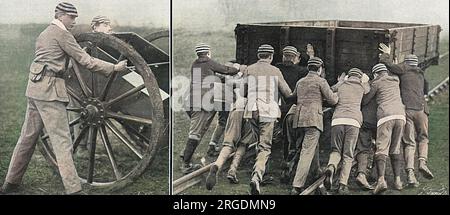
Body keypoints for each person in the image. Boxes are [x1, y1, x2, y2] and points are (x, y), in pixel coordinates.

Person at [0, 2, 127, 195]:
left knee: (27, 138)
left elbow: (56, 61)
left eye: (75, 18)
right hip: (50, 93)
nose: (74, 22)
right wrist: (114, 68)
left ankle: (10, 182)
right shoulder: (62, 35)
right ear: (60, 16)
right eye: (71, 17)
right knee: (62, 141)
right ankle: (74, 189)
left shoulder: (44, 34)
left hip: (34, 90)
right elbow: (86, 62)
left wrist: (76, 54)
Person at [379, 43, 434, 186]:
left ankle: (410, 174)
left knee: (409, 142)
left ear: (406, 63)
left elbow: (387, 64)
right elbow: (426, 90)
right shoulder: (420, 73)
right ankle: (422, 162)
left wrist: (387, 53)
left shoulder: (402, 69)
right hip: (421, 109)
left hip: (407, 111)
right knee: (423, 138)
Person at [181, 43, 240, 174]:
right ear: (208, 53)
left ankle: (185, 154)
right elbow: (227, 69)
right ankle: (185, 165)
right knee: (195, 133)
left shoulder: (195, 64)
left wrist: (222, 78)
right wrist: (237, 67)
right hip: (200, 103)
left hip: (189, 101)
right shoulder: (209, 62)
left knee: (197, 129)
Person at [243, 44, 292, 195]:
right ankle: (256, 177)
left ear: (259, 56)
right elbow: (287, 93)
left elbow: (243, 91)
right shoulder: (275, 70)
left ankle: (262, 173)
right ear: (270, 57)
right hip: (267, 111)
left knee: (259, 143)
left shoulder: (249, 69)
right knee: (265, 146)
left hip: (251, 110)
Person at [290, 57, 338, 195]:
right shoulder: (321, 81)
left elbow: (293, 97)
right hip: (313, 119)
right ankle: (297, 185)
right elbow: (333, 100)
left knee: (311, 146)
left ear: (308, 68)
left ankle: (316, 171)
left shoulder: (301, 81)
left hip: (299, 120)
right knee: (307, 151)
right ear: (320, 69)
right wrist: (338, 93)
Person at [323, 68, 370, 194]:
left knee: (335, 150)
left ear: (348, 76)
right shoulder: (362, 86)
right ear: (359, 77)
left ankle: (331, 167)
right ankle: (343, 185)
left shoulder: (342, 85)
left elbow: (330, 90)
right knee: (348, 154)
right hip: (353, 121)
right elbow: (368, 91)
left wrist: (340, 81)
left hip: (338, 120)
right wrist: (365, 81)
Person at [362, 63, 406, 194]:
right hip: (400, 115)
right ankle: (398, 181)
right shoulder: (396, 80)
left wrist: (365, 84)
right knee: (395, 147)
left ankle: (381, 180)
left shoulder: (376, 83)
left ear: (375, 74)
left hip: (385, 116)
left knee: (381, 148)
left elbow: (365, 101)